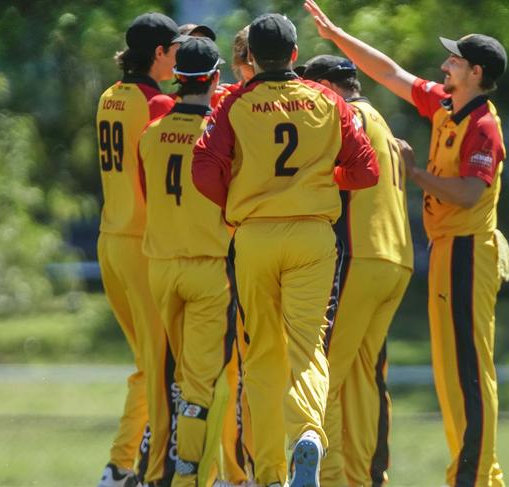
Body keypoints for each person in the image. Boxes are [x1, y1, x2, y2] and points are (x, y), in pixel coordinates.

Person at [305, 1, 509, 486]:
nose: (444, 66)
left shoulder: (483, 124)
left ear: (475, 72)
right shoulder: (446, 104)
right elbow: (390, 72)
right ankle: (468, 471)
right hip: (444, 251)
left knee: (469, 372)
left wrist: (415, 172)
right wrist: (337, 36)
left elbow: (469, 192)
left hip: (468, 252)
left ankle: (479, 477)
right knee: (448, 373)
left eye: (455, 62)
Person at [192, 13, 379, 487]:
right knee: (308, 349)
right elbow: (365, 171)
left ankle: (272, 472)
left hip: (254, 236)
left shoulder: (235, 101)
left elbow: (203, 168)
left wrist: (238, 200)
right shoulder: (330, 101)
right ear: (295, 54)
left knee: (260, 355)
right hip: (313, 237)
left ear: (250, 57)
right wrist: (322, 181)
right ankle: (310, 437)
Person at [302, 54, 413, 487]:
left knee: (322, 373)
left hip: (358, 257)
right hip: (396, 259)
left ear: (328, 85)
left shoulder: (340, 115)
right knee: (363, 376)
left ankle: (326, 480)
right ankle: (364, 478)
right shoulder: (379, 118)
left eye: (312, 88)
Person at [138, 37, 236, 487]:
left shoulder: (151, 134)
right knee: (200, 384)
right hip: (208, 269)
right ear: (215, 79)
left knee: (177, 376)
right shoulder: (220, 134)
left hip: (161, 267)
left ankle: (180, 470)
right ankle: (189, 477)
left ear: (178, 78)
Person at [95, 12, 186, 487]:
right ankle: (143, 471)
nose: (179, 57)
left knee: (147, 366)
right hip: (141, 245)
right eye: (175, 49)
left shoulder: (109, 96)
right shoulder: (160, 104)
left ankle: (120, 463)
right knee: (163, 368)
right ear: (159, 53)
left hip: (110, 240)